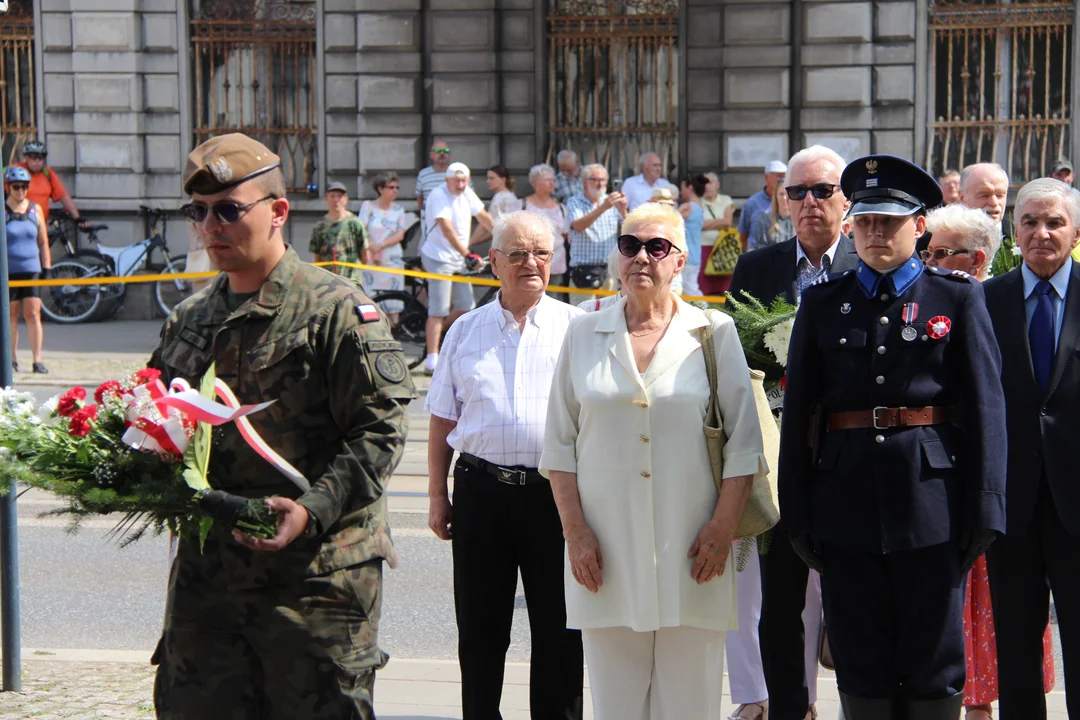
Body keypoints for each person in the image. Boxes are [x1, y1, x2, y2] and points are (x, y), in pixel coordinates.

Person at [149, 132, 416, 720]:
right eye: (198, 212)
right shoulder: (189, 320)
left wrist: (312, 508)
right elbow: (156, 423)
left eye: (228, 210)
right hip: (209, 587)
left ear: (278, 212)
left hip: (315, 585)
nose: (211, 226)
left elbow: (379, 432)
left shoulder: (336, 311)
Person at [780, 154, 1007, 720]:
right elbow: (801, 412)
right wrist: (798, 509)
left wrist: (986, 506)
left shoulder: (955, 297)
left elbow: (984, 407)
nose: (876, 233)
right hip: (845, 503)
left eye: (890, 222)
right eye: (866, 222)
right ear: (851, 224)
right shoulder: (823, 302)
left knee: (933, 660)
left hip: (933, 503)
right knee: (860, 658)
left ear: (919, 226)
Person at [540, 201, 766, 720]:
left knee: (688, 705)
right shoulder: (582, 334)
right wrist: (575, 534)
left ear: (679, 259)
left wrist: (721, 529)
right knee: (617, 707)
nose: (641, 257)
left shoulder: (714, 333)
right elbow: (558, 447)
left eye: (656, 247)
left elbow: (744, 445)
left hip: (694, 552)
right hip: (605, 556)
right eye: (629, 245)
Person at [426, 211, 585, 720]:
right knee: (480, 629)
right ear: (494, 262)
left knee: (560, 630)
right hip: (480, 493)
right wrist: (436, 496)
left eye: (540, 252)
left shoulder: (578, 328)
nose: (530, 263)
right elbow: (441, 420)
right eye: (516, 254)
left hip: (555, 497)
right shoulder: (464, 331)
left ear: (554, 259)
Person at [728, 145, 859, 720]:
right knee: (778, 604)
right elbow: (736, 362)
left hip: (855, 460)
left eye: (822, 191)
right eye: (797, 192)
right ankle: (788, 707)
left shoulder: (869, 259)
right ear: (782, 201)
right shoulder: (759, 268)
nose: (810, 203)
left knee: (854, 605)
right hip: (782, 461)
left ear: (845, 198)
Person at [923, 204, 1056, 720]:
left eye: (940, 253)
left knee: (1008, 612)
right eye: (926, 251)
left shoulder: (992, 304)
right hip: (944, 483)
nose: (928, 262)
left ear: (976, 260)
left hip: (1005, 490)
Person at [983, 177, 1080, 720]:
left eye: (1055, 222)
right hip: (1010, 506)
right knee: (1015, 650)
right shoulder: (985, 301)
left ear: (1075, 231)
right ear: (1013, 229)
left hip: (1077, 506)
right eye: (1030, 222)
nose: (1041, 233)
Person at [419, 162, 494, 373]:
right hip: (438, 256)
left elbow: (484, 218)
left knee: (465, 306)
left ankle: (438, 334)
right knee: (439, 308)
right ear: (447, 180)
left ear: (468, 181)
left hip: (458, 256)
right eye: (456, 181)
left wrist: (504, 236)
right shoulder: (437, 195)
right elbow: (447, 229)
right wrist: (467, 253)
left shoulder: (467, 193)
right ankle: (431, 358)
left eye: (464, 181)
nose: (460, 185)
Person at [5, 165, 51, 374]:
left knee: (33, 313)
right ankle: (11, 359)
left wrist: (46, 266)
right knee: (11, 314)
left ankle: (37, 360)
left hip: (31, 268)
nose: (20, 191)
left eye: (24, 187)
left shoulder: (35, 209)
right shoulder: (3, 210)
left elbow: (43, 241)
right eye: (16, 187)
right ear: (8, 188)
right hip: (9, 270)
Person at [359, 172, 413, 323]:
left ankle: (394, 333)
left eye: (397, 187)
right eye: (391, 187)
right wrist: (372, 249)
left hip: (392, 260)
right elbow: (361, 229)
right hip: (371, 260)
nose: (395, 190)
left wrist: (380, 246)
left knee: (393, 302)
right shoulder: (368, 206)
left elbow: (400, 234)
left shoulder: (399, 210)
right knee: (371, 299)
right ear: (380, 188)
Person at [565, 163, 627, 294]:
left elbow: (630, 229)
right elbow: (578, 226)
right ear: (584, 183)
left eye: (603, 180)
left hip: (609, 270)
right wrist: (603, 207)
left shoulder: (611, 201)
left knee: (609, 313)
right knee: (583, 313)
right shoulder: (574, 201)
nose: (600, 184)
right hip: (584, 270)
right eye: (595, 180)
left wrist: (623, 211)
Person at [12, 140, 89, 226]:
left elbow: (64, 197)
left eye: (41, 158)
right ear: (26, 157)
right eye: (33, 157)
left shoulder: (48, 174)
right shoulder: (16, 170)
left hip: (39, 225)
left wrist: (77, 218)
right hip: (18, 224)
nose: (37, 161)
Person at [308, 181, 369, 287]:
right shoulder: (320, 227)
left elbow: (364, 254)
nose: (336, 200)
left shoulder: (355, 224)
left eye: (339, 196)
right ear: (326, 199)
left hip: (351, 280)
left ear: (346, 199)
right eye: (332, 196)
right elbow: (317, 256)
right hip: (328, 281)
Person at [523, 163, 569, 298]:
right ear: (535, 183)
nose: (552, 183)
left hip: (556, 262)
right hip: (530, 262)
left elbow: (565, 233)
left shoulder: (560, 207)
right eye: (547, 180)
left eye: (553, 180)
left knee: (553, 298)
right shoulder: (523, 205)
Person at [738, 160, 788, 250]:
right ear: (766, 177)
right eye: (778, 175)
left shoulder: (790, 201)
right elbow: (743, 234)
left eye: (784, 175)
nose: (782, 179)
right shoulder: (752, 203)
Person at [471, 165, 522, 245]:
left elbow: (484, 223)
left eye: (492, 178)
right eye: (487, 178)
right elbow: (495, 227)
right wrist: (479, 240)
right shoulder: (511, 196)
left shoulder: (500, 197)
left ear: (503, 180)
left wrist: (470, 243)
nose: (488, 181)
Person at [678, 173, 707, 298]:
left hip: (687, 253)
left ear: (690, 187)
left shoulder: (687, 207)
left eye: (682, 188)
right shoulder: (699, 206)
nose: (681, 192)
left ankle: (705, 312)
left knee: (689, 290)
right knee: (691, 287)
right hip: (695, 253)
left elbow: (670, 219)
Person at [748, 185, 794, 250]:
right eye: (781, 194)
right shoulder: (764, 220)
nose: (784, 197)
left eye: (787, 194)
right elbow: (755, 248)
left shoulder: (800, 221)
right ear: (776, 197)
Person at [416, 139, 453, 214]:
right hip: (430, 221)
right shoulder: (423, 174)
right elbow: (420, 199)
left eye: (446, 151)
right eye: (438, 151)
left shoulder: (458, 173)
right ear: (431, 155)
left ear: (449, 155)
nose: (442, 153)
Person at [702, 172, 735, 252]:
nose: (707, 186)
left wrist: (707, 224)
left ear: (718, 184)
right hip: (702, 247)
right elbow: (699, 224)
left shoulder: (726, 200)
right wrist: (720, 223)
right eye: (704, 183)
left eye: (710, 182)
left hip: (723, 247)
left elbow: (727, 222)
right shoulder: (698, 202)